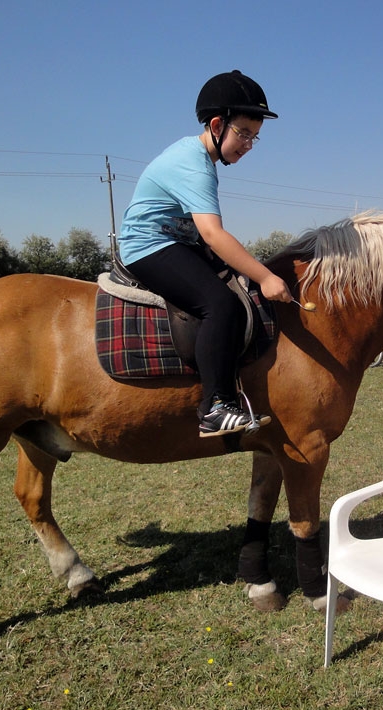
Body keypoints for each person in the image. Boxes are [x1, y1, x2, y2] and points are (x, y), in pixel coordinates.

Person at [117, 71, 293, 438]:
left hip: (177, 241)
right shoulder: (193, 164)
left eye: (254, 137)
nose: (248, 144)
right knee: (220, 304)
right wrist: (265, 276)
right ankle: (215, 406)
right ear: (217, 124)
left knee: (236, 283)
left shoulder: (200, 159)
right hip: (149, 244)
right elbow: (213, 234)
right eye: (243, 133)